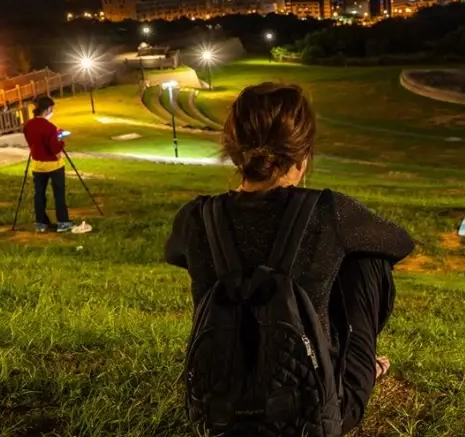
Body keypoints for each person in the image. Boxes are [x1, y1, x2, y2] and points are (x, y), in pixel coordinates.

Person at [165, 82, 414, 436]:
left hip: (215, 412)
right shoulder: (329, 212)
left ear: (235, 153)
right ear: (303, 155)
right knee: (368, 259)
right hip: (315, 417)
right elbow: (399, 242)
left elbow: (175, 254)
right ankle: (357, 371)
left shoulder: (196, 217)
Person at [22, 95, 72, 233]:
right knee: (59, 194)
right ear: (48, 109)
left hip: (37, 165)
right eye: (52, 109)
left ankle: (41, 223)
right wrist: (61, 139)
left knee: (39, 194)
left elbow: (31, 142)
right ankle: (63, 222)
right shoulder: (50, 127)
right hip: (53, 165)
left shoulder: (28, 125)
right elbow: (55, 149)